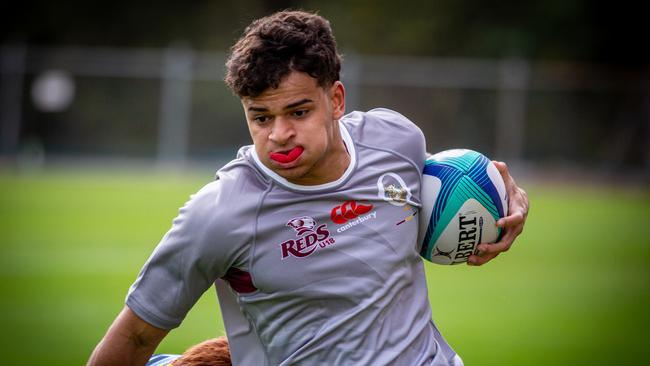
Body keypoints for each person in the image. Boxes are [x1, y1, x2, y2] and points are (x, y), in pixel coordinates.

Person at [88, 10, 529, 366]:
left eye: (298, 112)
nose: (278, 134)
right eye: (261, 117)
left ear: (335, 100)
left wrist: (508, 206)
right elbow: (137, 332)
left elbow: (454, 185)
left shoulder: (397, 139)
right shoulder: (220, 213)